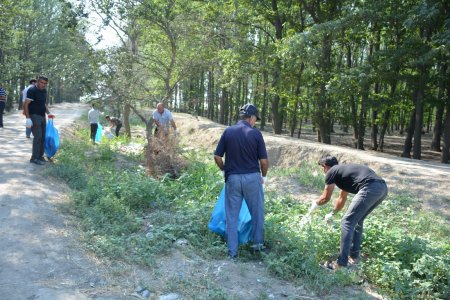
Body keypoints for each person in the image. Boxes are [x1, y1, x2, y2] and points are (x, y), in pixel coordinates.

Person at [214, 103, 269, 258]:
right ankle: (257, 248)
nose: (255, 122)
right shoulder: (256, 134)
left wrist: (224, 170)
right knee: (257, 213)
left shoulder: (228, 131)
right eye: (255, 119)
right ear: (251, 118)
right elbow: (264, 162)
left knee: (232, 215)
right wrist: (263, 177)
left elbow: (217, 156)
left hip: (233, 179)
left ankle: (232, 252)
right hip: (252, 178)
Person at [314, 156, 388, 270]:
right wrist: (332, 213)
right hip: (382, 188)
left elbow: (325, 198)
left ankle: (340, 264)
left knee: (347, 222)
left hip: (370, 187)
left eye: (323, 169)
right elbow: (341, 199)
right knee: (358, 220)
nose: (324, 172)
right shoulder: (344, 173)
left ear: (326, 167)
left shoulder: (331, 171)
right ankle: (354, 258)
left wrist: (314, 204)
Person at [23, 75, 54, 165]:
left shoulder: (44, 91)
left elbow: (43, 103)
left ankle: (40, 156)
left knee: (43, 137)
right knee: (38, 137)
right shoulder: (32, 90)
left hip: (42, 116)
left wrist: (48, 113)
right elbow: (26, 104)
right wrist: (28, 118)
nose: (43, 85)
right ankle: (34, 158)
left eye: (45, 83)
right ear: (37, 81)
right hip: (34, 116)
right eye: (41, 82)